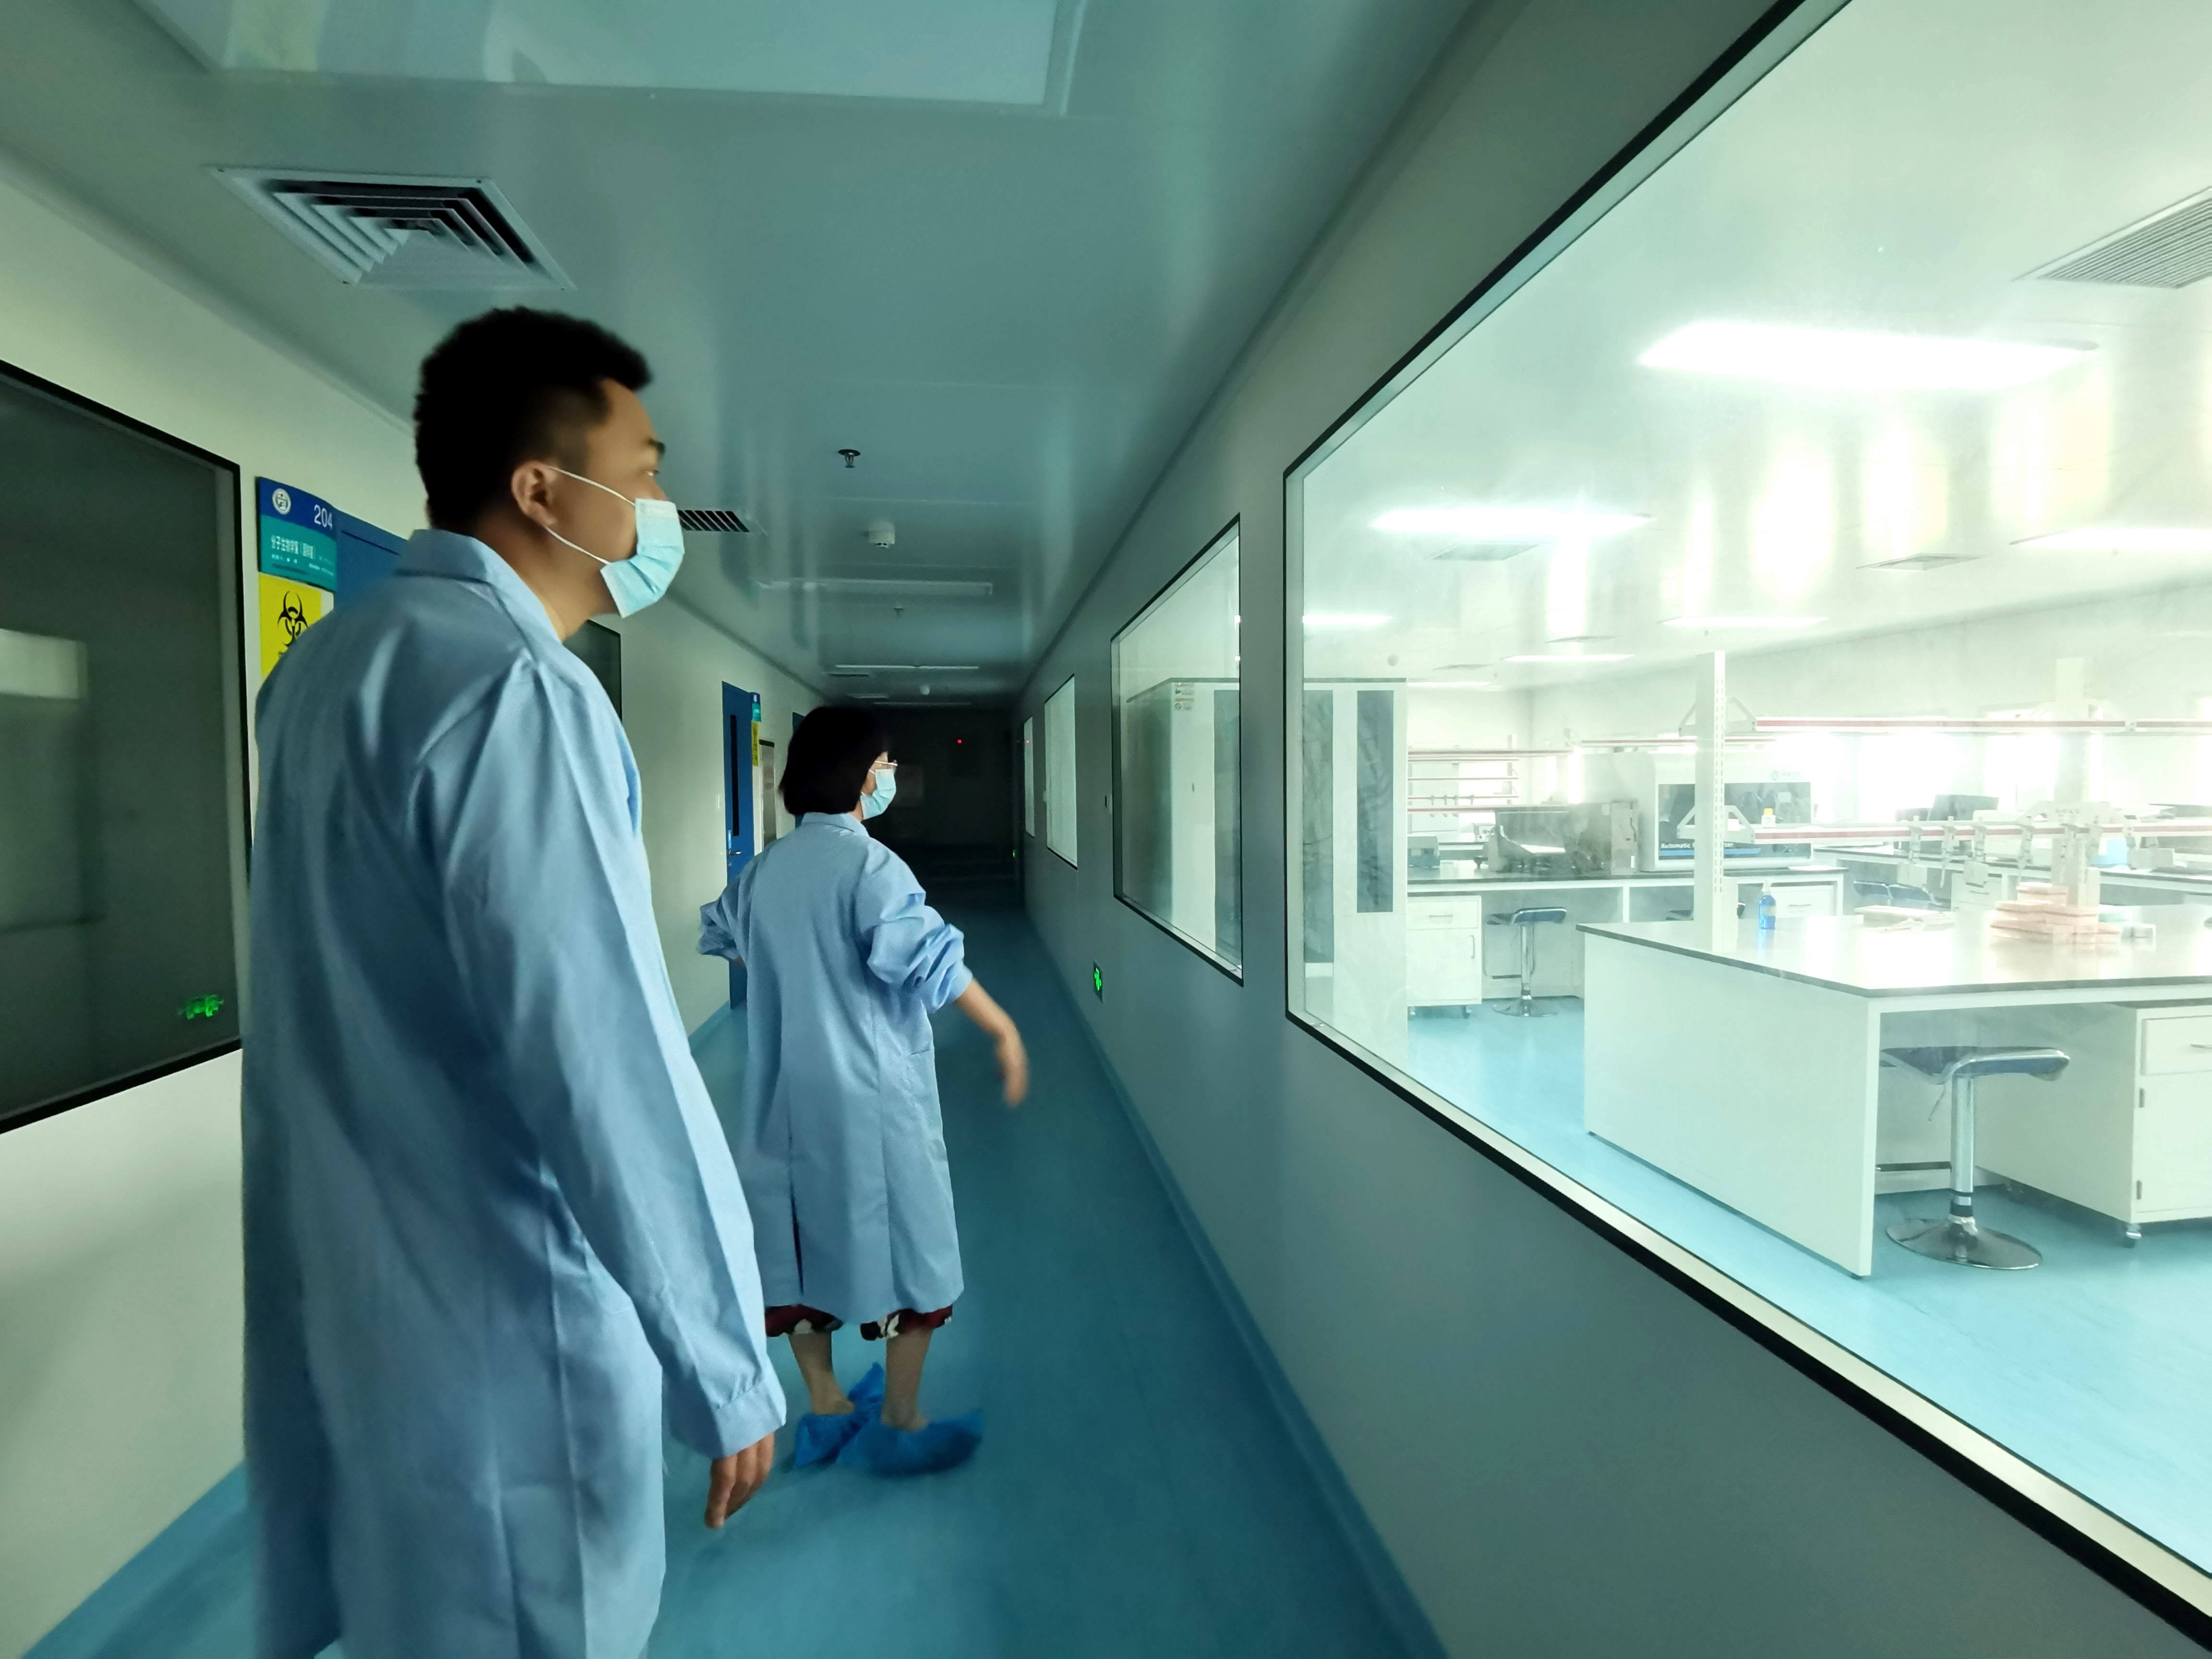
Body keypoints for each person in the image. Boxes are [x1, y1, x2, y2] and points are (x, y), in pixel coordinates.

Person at [242, 307, 784, 1659]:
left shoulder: (326, 668)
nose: (657, 508)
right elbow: (602, 1057)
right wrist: (723, 1361)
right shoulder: (516, 692)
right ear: (545, 491)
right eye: (644, 473)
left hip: (363, 1318)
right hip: (506, 1338)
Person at [698, 708, 1028, 1475]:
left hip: (782, 1096)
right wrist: (1003, 1029)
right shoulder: (871, 868)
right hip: (867, 1100)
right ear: (857, 773)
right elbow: (931, 963)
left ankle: (825, 1407)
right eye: (884, 765)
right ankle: (901, 1418)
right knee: (916, 1256)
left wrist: (797, 977)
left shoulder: (766, 870)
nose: (889, 778)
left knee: (794, 1252)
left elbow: (725, 936)